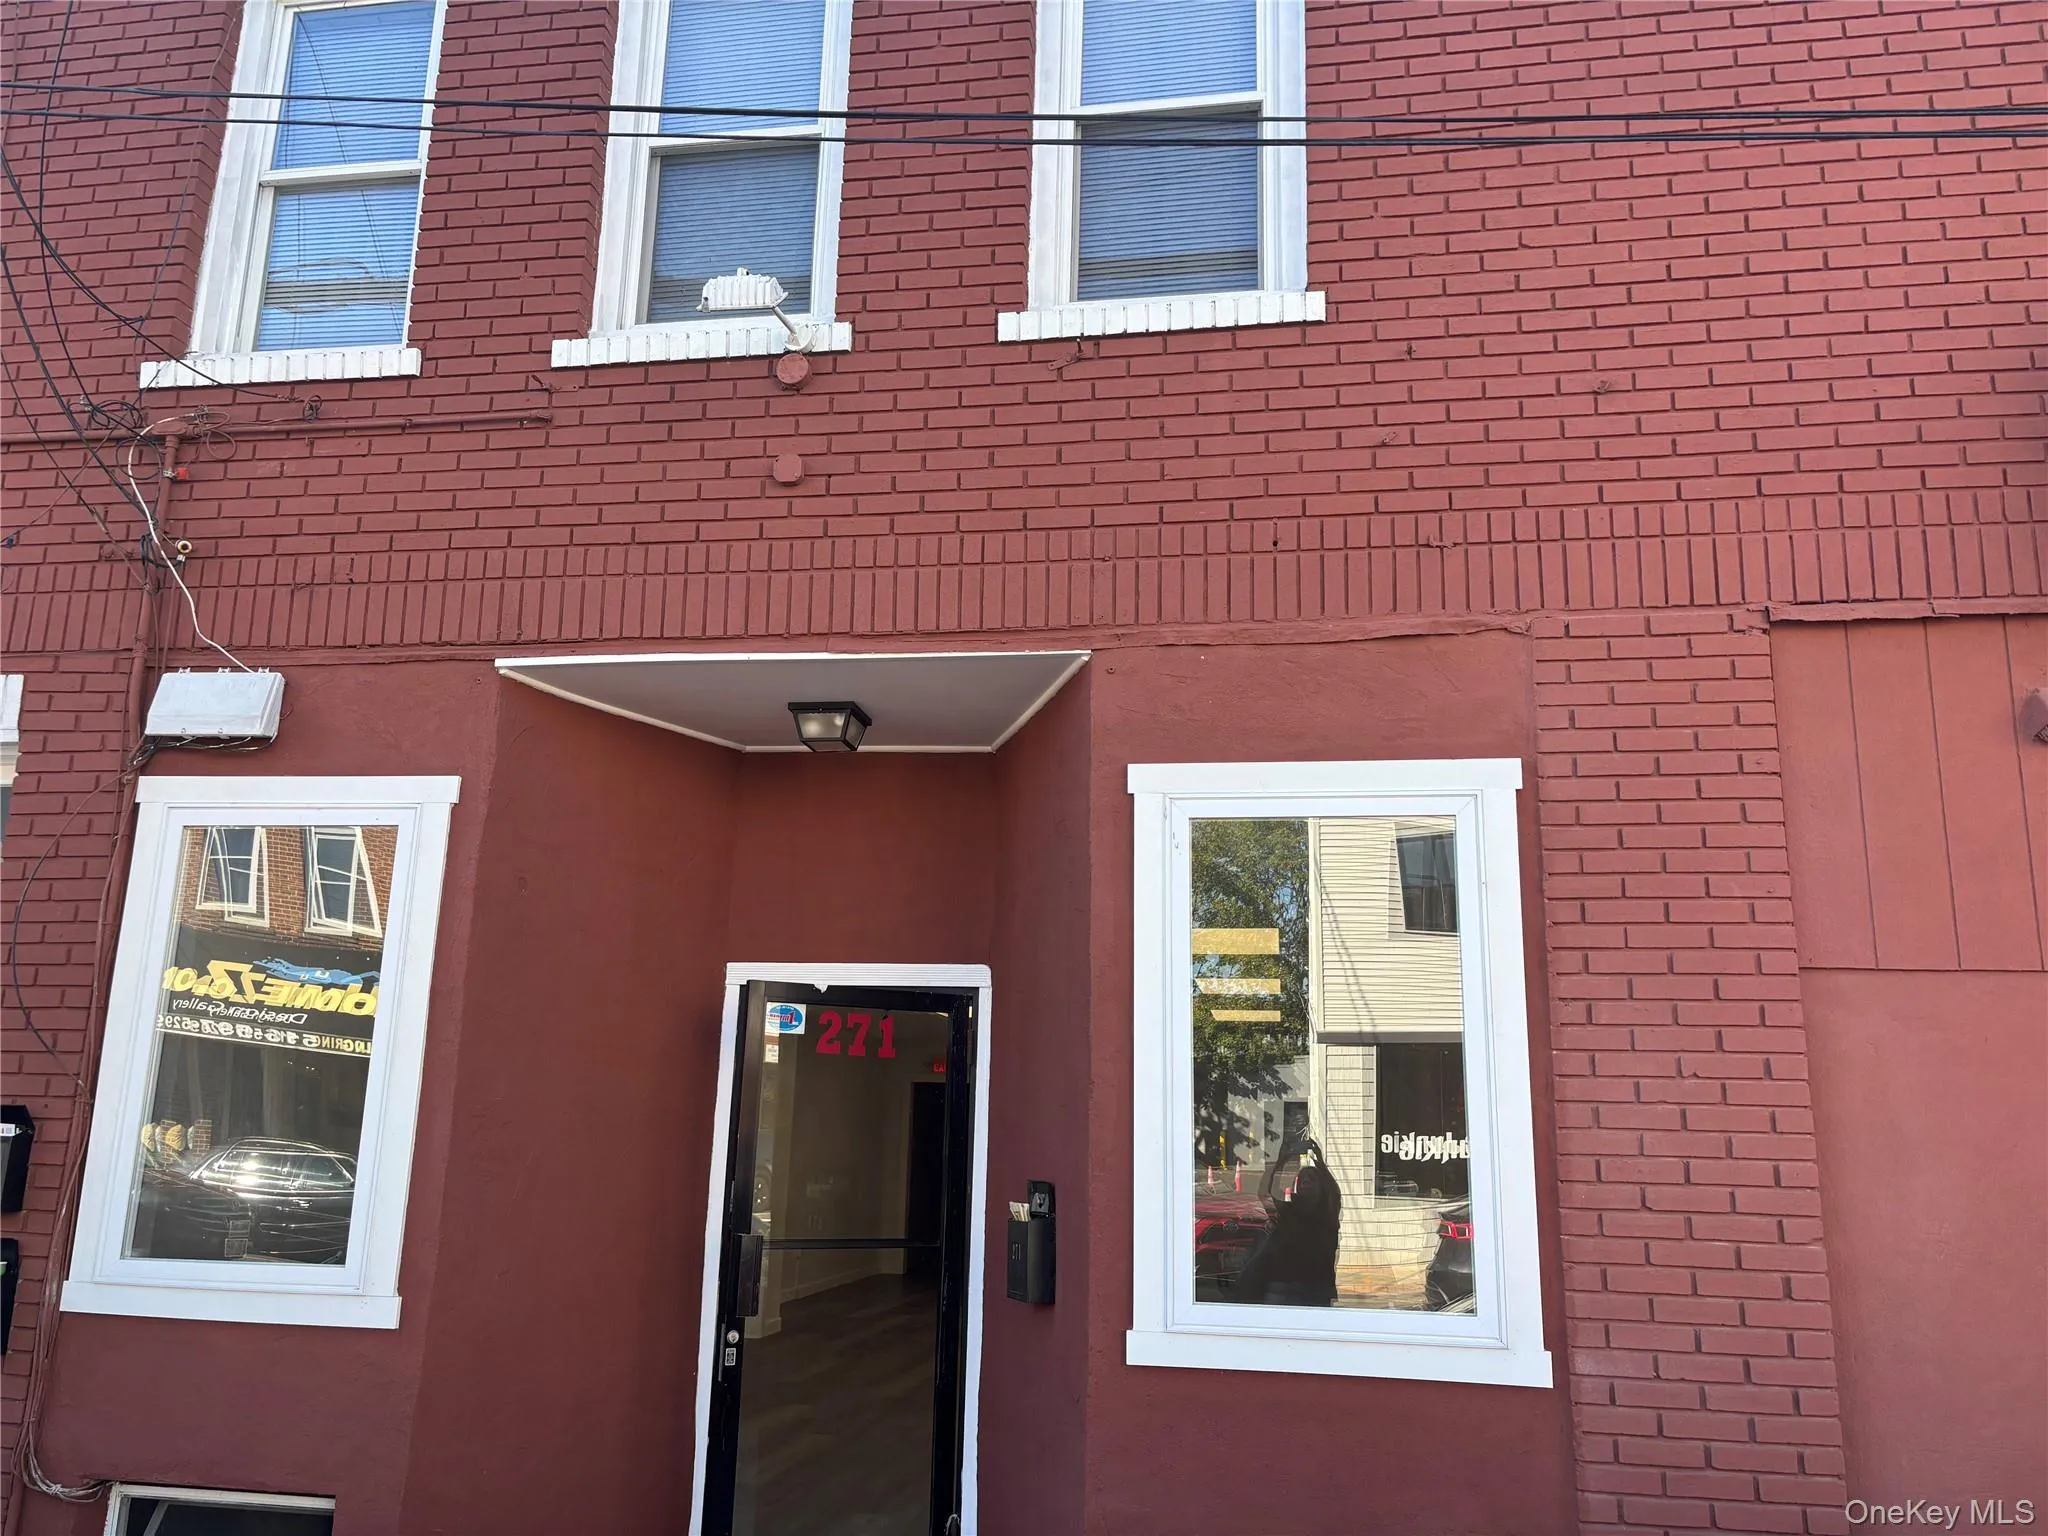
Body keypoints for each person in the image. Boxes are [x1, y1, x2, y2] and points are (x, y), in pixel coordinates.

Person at [1232, 1134, 1340, 1307]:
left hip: (1315, 1288)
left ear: (1321, 1187)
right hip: (1284, 1286)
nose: (1306, 1183)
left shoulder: (1327, 1213)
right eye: (1302, 1180)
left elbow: (1333, 1191)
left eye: (1312, 1180)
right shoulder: (1289, 1211)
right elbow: (1265, 1193)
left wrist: (1319, 1160)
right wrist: (1283, 1159)